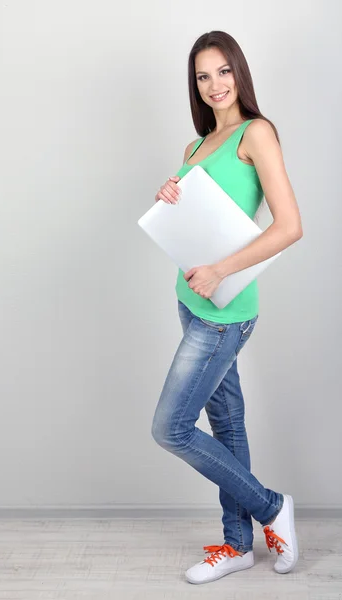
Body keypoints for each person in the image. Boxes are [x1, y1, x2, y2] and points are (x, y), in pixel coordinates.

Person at [151, 30, 303, 586]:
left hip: (226, 309)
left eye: (223, 71)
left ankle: (270, 508)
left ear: (239, 71)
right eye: (202, 76)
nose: (215, 85)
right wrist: (171, 195)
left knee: (170, 428)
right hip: (189, 301)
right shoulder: (194, 146)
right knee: (226, 422)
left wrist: (222, 271)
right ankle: (237, 546)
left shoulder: (256, 133)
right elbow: (199, 219)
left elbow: (290, 226)